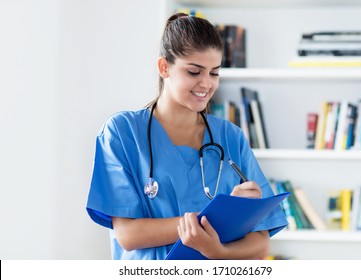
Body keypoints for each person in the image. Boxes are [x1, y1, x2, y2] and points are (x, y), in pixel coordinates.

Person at [86, 12, 287, 260]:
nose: (206, 84)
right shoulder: (122, 133)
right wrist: (215, 220)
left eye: (214, 73)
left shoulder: (230, 137)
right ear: (164, 67)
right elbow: (129, 234)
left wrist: (217, 249)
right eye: (194, 72)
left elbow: (260, 244)